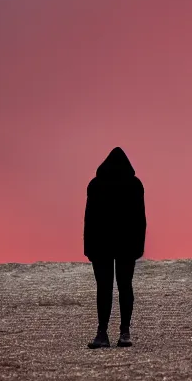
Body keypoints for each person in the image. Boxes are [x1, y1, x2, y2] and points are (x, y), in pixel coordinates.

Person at [83, 147, 147, 348]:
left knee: (105, 289)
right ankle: (123, 332)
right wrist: (139, 247)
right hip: (123, 245)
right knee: (123, 287)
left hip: (104, 245)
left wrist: (89, 246)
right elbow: (140, 220)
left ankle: (103, 332)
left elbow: (89, 219)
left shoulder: (96, 184)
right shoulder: (134, 184)